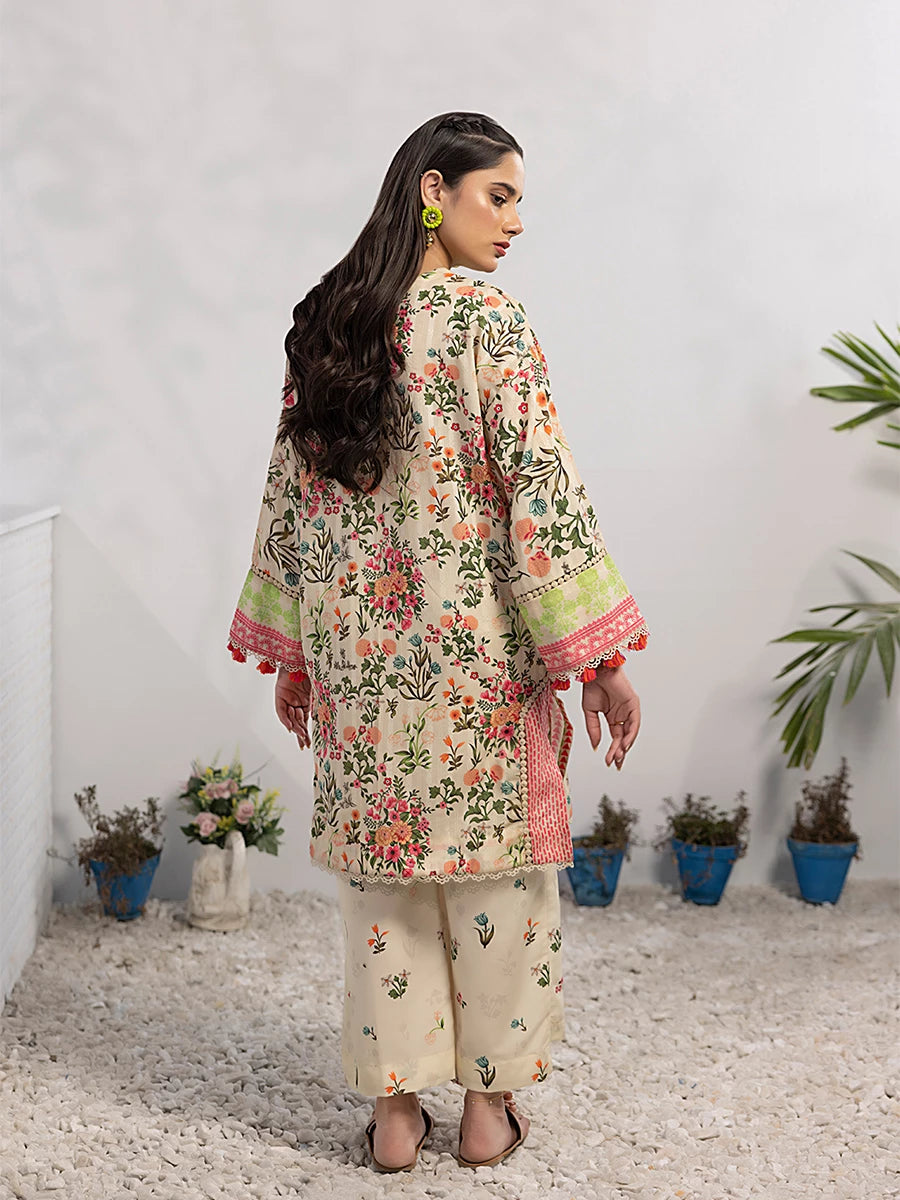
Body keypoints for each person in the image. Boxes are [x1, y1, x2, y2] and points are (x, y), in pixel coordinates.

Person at [226, 111, 649, 1173]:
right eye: (498, 196)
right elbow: (540, 494)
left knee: (387, 892)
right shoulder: (483, 320)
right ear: (432, 189)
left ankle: (396, 1118)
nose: (515, 222)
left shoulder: (333, 326)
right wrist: (599, 661)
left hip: (364, 675)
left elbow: (291, 503)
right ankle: (487, 1112)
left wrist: (300, 656)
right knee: (498, 887)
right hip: (476, 669)